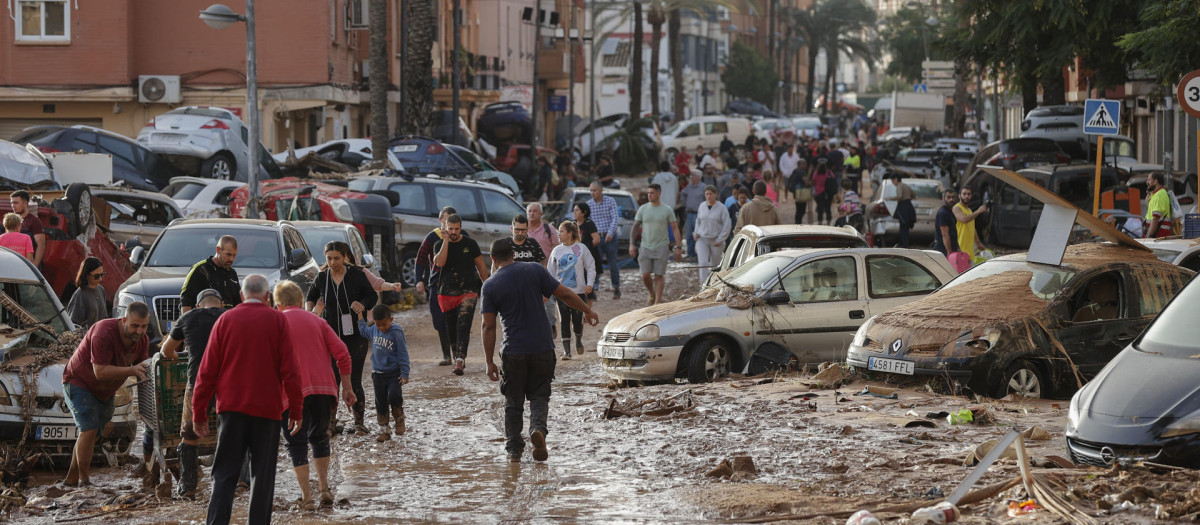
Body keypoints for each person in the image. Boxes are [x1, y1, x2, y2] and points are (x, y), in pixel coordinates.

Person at [193, 275, 303, 525]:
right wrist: (296, 410)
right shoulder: (277, 320)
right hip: (267, 411)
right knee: (262, 477)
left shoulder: (225, 320)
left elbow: (206, 372)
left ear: (241, 296)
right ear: (267, 297)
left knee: (223, 475)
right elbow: (291, 371)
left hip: (231, 410)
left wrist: (198, 413)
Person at [480, 239, 599, 463]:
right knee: (539, 396)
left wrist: (489, 362)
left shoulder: (490, 285)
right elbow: (564, 294)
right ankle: (538, 430)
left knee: (513, 401)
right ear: (513, 254)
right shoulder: (534, 270)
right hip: (542, 349)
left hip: (513, 351)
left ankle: (514, 450)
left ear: (493, 259)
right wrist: (587, 311)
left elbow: (488, 326)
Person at [273, 281, 354, 509]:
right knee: (319, 437)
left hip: (290, 394)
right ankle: (324, 488)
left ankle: (307, 498)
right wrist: (347, 387)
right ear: (300, 301)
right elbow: (343, 354)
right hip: (323, 390)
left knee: (296, 444)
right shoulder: (319, 322)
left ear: (278, 305)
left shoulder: (275, 324)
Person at [62, 302, 151, 486]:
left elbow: (145, 372)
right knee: (88, 429)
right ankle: (84, 482)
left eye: (144, 326)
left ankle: (70, 480)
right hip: (79, 381)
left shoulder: (143, 340)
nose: (139, 331)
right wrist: (131, 369)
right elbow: (100, 372)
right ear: (124, 320)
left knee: (92, 434)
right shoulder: (104, 331)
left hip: (105, 390)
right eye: (135, 326)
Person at [161, 288, 227, 500]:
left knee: (189, 434)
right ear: (221, 304)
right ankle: (240, 483)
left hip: (198, 382)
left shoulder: (187, 317)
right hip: (228, 383)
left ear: (198, 306)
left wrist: (176, 356)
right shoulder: (229, 316)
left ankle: (188, 487)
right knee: (233, 430)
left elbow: (165, 350)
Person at [306, 241, 377, 434]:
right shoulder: (322, 278)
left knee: (354, 379)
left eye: (336, 258)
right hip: (329, 336)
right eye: (329, 258)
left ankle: (359, 422)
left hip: (355, 336)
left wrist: (362, 304)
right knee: (331, 380)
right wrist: (312, 312)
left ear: (345, 257)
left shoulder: (356, 275)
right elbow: (310, 296)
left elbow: (372, 296)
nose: (332, 262)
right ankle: (330, 423)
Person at [433, 214, 490, 375]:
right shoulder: (438, 244)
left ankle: (460, 360)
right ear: (444, 227)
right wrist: (446, 241)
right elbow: (440, 262)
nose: (454, 232)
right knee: (451, 327)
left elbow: (481, 268)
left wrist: (488, 286)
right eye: (450, 228)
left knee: (463, 325)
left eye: (457, 229)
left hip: (468, 291)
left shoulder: (470, 244)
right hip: (446, 292)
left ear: (461, 227)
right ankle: (456, 356)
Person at [415, 206, 461, 366]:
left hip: (457, 286)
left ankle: (457, 354)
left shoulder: (462, 237)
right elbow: (420, 258)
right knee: (440, 320)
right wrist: (418, 279)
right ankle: (446, 354)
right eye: (446, 221)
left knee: (455, 320)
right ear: (441, 221)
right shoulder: (432, 237)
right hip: (437, 284)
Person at [357, 304, 410, 442]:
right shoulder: (374, 330)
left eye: (384, 324)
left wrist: (405, 373)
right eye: (378, 324)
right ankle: (384, 429)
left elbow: (403, 353)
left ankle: (399, 419)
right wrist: (359, 315)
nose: (381, 328)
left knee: (394, 396)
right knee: (380, 402)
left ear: (391, 319)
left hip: (394, 373)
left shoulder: (397, 332)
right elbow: (363, 330)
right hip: (378, 374)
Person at [547, 221, 595, 358]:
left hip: (579, 291)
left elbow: (591, 266)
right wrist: (550, 289)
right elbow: (550, 272)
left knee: (577, 319)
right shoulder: (556, 250)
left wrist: (590, 283)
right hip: (561, 292)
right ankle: (566, 351)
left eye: (561, 231)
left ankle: (578, 338)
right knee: (564, 319)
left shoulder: (581, 248)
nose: (558, 234)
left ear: (570, 233)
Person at [631, 184, 681, 306]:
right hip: (645, 246)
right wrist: (631, 244)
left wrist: (678, 247)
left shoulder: (667, 209)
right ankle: (651, 293)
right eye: (648, 193)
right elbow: (635, 227)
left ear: (659, 193)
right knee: (645, 275)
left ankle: (657, 302)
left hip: (662, 245)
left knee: (659, 275)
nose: (649, 195)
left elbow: (675, 228)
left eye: (652, 193)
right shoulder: (643, 209)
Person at [180, 235, 241, 314]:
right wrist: (188, 324)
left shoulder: (232, 273)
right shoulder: (201, 270)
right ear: (218, 250)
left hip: (227, 323)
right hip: (205, 322)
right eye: (228, 254)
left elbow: (238, 304)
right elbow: (186, 301)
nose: (231, 259)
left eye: (234, 255)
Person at [525, 203, 560, 337]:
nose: (532, 213)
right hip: (527, 270)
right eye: (529, 211)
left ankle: (551, 324)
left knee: (549, 302)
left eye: (535, 211)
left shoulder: (548, 228)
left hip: (546, 269)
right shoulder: (522, 230)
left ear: (540, 214)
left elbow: (557, 248)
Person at [588, 183, 622, 299]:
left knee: (613, 264)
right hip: (596, 238)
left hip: (610, 238)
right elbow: (589, 222)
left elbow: (615, 218)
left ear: (601, 190)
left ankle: (616, 287)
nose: (592, 193)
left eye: (595, 190)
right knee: (595, 264)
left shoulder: (610, 201)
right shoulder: (589, 204)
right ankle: (593, 289)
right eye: (591, 191)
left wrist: (610, 233)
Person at [694, 185, 731, 283]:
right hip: (702, 238)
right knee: (703, 263)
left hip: (716, 239)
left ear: (715, 195)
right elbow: (698, 221)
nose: (709, 196)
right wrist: (696, 232)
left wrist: (720, 239)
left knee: (715, 264)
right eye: (707, 194)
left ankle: (714, 283)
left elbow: (727, 225)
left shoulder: (722, 208)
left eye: (711, 194)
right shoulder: (702, 206)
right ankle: (702, 284)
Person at [66, 257, 108, 328]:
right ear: (86, 275)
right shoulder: (80, 295)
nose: (101, 279)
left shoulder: (101, 290)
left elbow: (104, 318)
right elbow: (73, 325)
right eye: (97, 276)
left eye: (102, 275)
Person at [573, 203, 601, 305]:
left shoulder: (589, 224)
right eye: (574, 210)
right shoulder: (572, 224)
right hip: (575, 260)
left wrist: (584, 249)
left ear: (584, 212)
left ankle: (588, 311)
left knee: (588, 287)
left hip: (588, 259)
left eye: (577, 210)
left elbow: (596, 239)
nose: (574, 212)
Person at [952, 186, 988, 263]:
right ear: (959, 196)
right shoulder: (956, 208)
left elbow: (972, 228)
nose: (966, 196)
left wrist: (978, 243)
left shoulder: (969, 210)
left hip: (970, 252)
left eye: (968, 194)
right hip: (960, 250)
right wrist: (978, 211)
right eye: (964, 194)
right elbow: (964, 219)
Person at [9, 191, 44, 268]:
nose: (13, 206)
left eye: (16, 203)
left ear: (25, 203)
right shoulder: (10, 221)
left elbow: (41, 244)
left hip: (29, 264)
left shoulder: (34, 221)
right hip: (12, 263)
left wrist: (35, 264)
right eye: (12, 203)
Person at [885, 174, 917, 248]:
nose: (893, 183)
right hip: (909, 206)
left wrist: (889, 198)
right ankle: (906, 245)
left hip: (903, 208)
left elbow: (899, 197)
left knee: (903, 228)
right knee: (906, 228)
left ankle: (905, 246)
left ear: (896, 179)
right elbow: (914, 194)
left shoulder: (899, 186)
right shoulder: (906, 186)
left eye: (893, 181)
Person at [679, 172, 706, 260]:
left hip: (699, 214)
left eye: (693, 176)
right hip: (689, 213)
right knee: (689, 234)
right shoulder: (689, 187)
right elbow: (682, 193)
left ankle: (702, 253)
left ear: (698, 177)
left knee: (700, 234)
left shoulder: (703, 187)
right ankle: (691, 254)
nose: (691, 177)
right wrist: (684, 202)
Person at [1145, 172, 1174, 238]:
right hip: (1158, 235)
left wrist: (1148, 236)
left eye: (1149, 180)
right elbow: (1152, 215)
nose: (1147, 182)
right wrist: (1148, 202)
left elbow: (1155, 218)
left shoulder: (1159, 195)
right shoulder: (1156, 194)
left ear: (1155, 182)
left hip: (1158, 236)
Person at [933, 189, 961, 256]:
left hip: (951, 249)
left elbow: (953, 232)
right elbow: (945, 234)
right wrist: (949, 252)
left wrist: (958, 248)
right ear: (943, 198)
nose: (951, 199)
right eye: (948, 197)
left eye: (953, 197)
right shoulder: (943, 213)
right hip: (943, 250)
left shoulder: (950, 212)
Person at [787, 159, 811, 225]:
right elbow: (806, 182)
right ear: (801, 165)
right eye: (805, 164)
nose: (806, 165)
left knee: (798, 208)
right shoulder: (802, 172)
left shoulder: (795, 171)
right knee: (802, 209)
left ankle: (797, 221)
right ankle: (798, 222)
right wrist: (810, 183)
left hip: (796, 192)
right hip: (802, 192)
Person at [812, 159, 835, 225]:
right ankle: (828, 223)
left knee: (820, 209)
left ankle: (820, 223)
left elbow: (813, 182)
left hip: (818, 193)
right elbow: (833, 181)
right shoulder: (829, 173)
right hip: (828, 193)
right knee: (828, 208)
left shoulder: (816, 173)